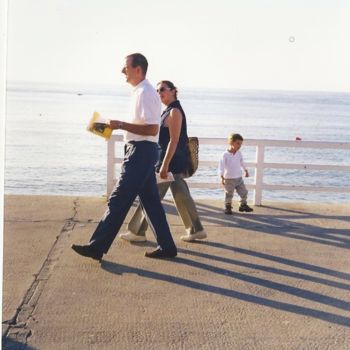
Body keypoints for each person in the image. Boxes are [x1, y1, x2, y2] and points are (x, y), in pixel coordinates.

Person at [71, 53, 177, 261]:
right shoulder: (139, 92)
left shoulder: (146, 92)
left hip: (141, 152)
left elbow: (152, 128)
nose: (122, 71)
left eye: (126, 67)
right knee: (151, 203)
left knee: (118, 199)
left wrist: (120, 125)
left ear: (138, 69)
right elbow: (143, 128)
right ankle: (167, 247)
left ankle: (97, 247)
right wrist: (115, 127)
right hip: (140, 151)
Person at [120, 80, 207, 243]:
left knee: (150, 195)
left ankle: (137, 231)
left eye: (163, 90)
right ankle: (196, 229)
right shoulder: (168, 111)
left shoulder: (174, 112)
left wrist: (165, 165)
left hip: (170, 162)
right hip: (173, 161)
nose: (159, 93)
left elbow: (173, 141)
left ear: (173, 91)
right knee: (181, 194)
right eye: (158, 91)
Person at [218, 133, 253, 214]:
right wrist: (221, 177)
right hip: (229, 179)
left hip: (238, 177)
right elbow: (221, 166)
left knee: (244, 192)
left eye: (240, 144)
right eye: (237, 143)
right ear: (231, 142)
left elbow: (242, 162)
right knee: (229, 194)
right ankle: (228, 207)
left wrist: (245, 170)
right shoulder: (225, 155)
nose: (239, 146)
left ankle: (242, 205)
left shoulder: (239, 153)